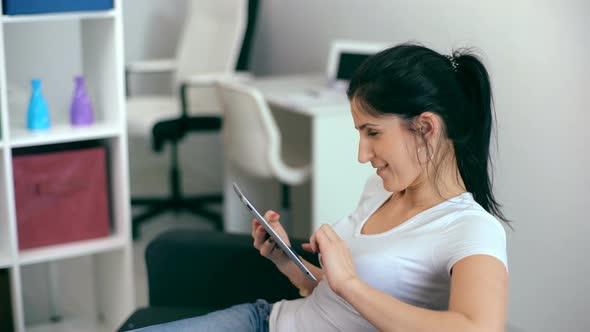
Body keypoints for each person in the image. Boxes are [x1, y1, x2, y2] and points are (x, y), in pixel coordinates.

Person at [132, 42, 510, 332]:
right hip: (265, 320)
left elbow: (476, 327)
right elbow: (334, 301)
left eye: (373, 133)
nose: (364, 154)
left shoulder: (470, 228)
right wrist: (291, 265)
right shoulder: (379, 189)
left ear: (426, 127)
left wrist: (348, 282)